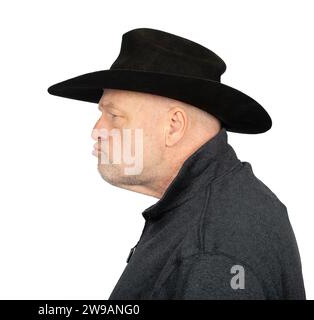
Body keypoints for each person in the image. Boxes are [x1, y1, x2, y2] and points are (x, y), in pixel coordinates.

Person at [47, 28, 305, 299]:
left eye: (114, 115)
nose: (97, 130)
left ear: (173, 126)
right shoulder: (223, 200)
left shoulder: (210, 253)